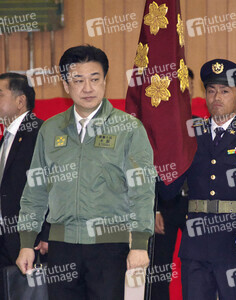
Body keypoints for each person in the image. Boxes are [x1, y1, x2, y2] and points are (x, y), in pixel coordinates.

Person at [15, 45, 155, 300]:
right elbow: (35, 191)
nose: (87, 88)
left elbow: (142, 191)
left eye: (94, 79)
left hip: (110, 248)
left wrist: (139, 246)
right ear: (66, 86)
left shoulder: (129, 128)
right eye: (78, 80)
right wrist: (26, 243)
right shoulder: (50, 130)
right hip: (61, 248)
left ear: (105, 81)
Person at [159, 59, 236, 300]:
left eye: (224, 91)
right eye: (211, 90)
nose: (216, 97)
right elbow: (169, 190)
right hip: (197, 245)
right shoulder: (191, 132)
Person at [0, 73, 49, 295]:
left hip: (28, 239)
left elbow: (52, 184)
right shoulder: (5, 138)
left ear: (20, 101)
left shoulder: (40, 132)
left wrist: (46, 233)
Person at [151, 68, 195, 300]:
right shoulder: (157, 128)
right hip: (164, 206)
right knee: (159, 267)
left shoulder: (201, 126)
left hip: (195, 206)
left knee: (195, 265)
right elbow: (147, 171)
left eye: (187, 86)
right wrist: (154, 208)